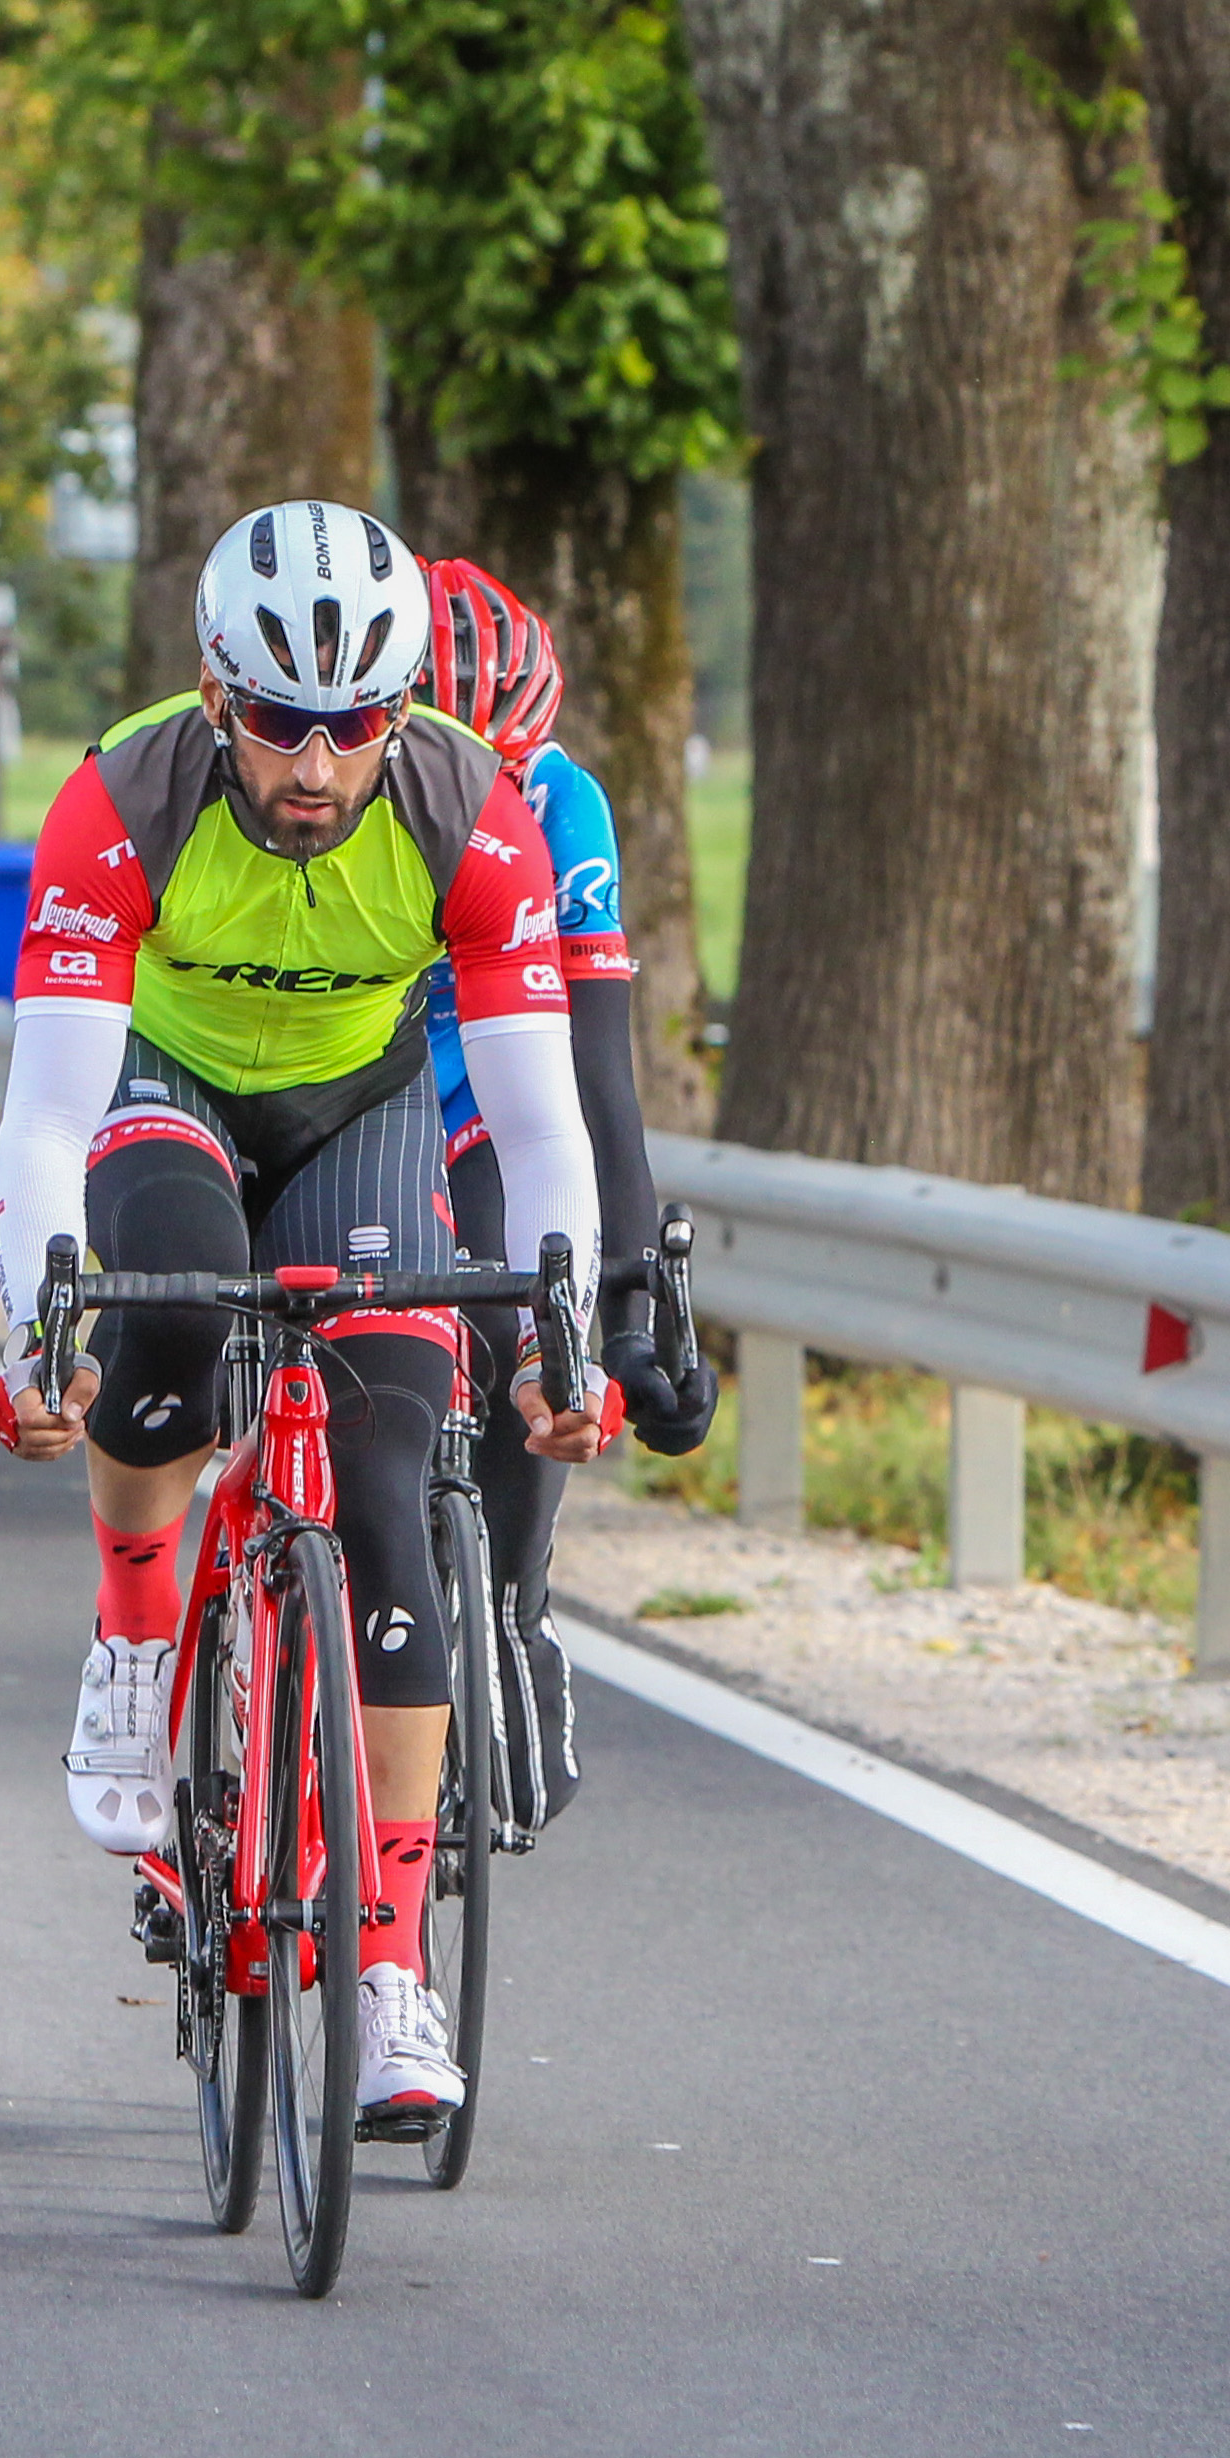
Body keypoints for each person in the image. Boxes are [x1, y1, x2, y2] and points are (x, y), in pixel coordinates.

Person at [0, 499, 602, 2130]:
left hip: (362, 1120)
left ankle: (387, 1976)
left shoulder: (471, 815)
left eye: (353, 727)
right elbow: (44, 1117)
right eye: (277, 723)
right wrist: (43, 1334)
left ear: (400, 718)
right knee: (167, 1328)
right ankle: (133, 1641)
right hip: (162, 1089)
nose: (315, 764)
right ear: (213, 699)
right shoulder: (125, 800)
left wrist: (558, 1337)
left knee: (392, 1489)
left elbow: (543, 1132)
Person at [413, 561, 719, 1832]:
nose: (479, 799)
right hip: (342, 1080)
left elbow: (600, 1081)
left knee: (525, 1307)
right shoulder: (318, 793)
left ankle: (506, 1601)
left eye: (503, 768)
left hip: (495, 1086)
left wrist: (638, 1315)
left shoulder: (563, 802)